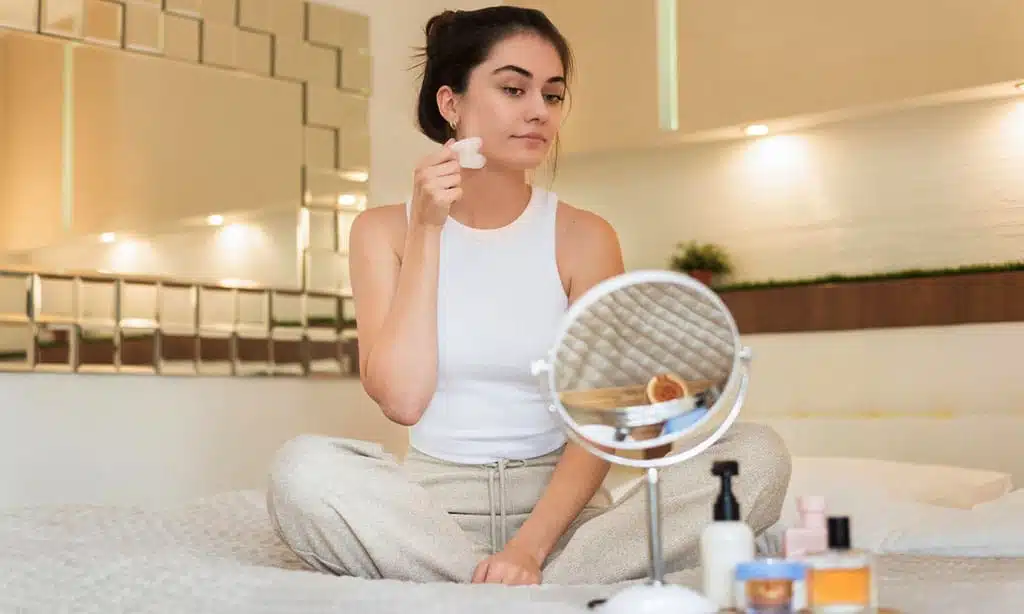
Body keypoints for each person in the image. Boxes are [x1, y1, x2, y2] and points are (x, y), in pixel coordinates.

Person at [266, 5, 791, 587]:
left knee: (756, 455)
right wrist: (428, 231)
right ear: (451, 103)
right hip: (430, 515)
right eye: (514, 89)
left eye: (553, 95)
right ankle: (507, 585)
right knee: (302, 470)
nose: (539, 111)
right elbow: (403, 401)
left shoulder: (585, 236)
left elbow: (601, 423)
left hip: (564, 520)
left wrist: (527, 550)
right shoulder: (382, 232)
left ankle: (515, 583)